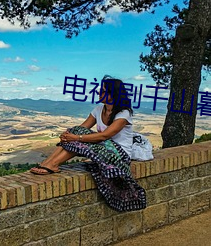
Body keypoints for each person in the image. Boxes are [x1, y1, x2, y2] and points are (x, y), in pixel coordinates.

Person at [30, 75, 146, 211]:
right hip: (103, 147)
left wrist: (76, 137)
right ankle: (48, 163)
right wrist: (68, 135)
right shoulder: (98, 109)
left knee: (78, 137)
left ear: (112, 94)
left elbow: (105, 135)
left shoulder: (123, 113)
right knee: (75, 131)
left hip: (119, 154)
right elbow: (83, 128)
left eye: (102, 91)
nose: (98, 92)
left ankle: (53, 164)